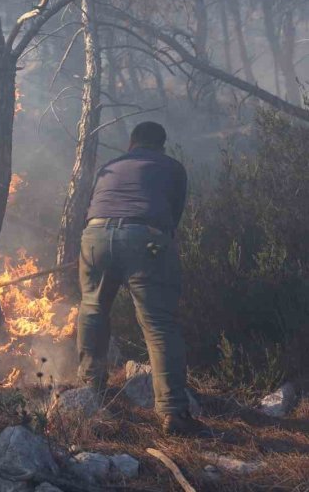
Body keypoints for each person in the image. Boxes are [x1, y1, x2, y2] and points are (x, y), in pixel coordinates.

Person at [77, 122, 207, 436]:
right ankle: (174, 412)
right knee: (159, 324)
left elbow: (93, 205)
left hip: (94, 236)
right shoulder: (173, 168)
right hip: (145, 239)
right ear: (161, 146)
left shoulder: (110, 166)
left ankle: (88, 391)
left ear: (131, 144)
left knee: (92, 310)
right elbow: (171, 220)